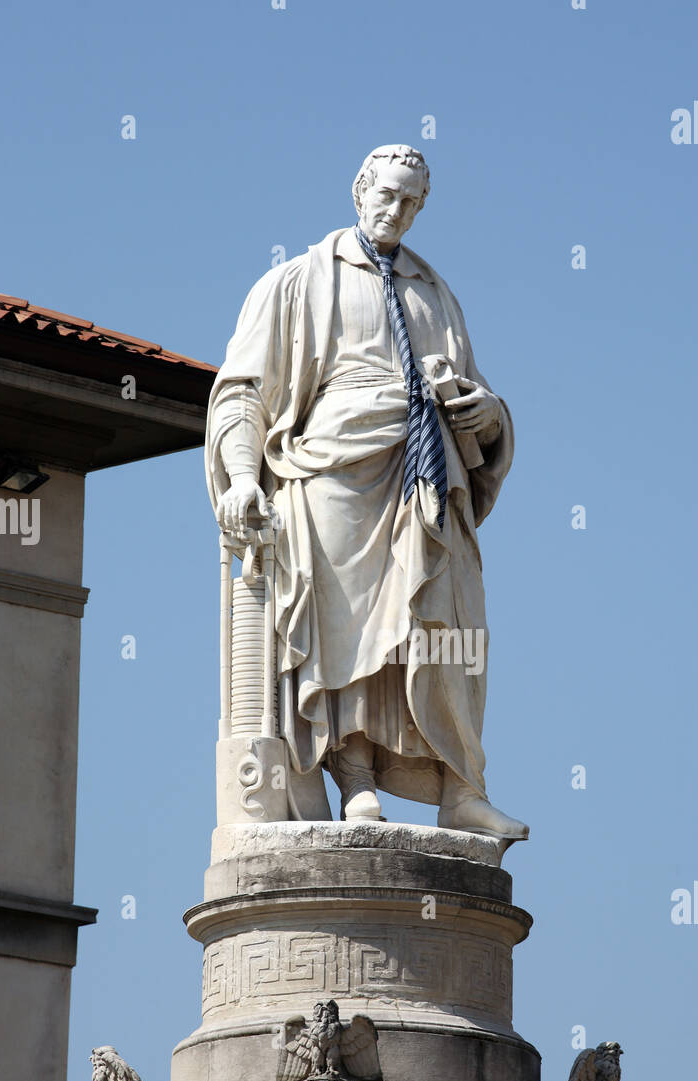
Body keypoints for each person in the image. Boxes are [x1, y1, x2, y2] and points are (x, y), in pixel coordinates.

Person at [206, 144, 527, 840]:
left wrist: (489, 415)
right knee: (347, 633)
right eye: (387, 194)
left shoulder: (434, 292)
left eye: (412, 201)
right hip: (335, 472)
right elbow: (243, 392)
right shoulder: (297, 281)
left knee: (447, 627)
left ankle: (461, 786)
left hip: (429, 474)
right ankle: (354, 780)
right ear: (359, 189)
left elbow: (478, 392)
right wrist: (242, 477)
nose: (397, 210)